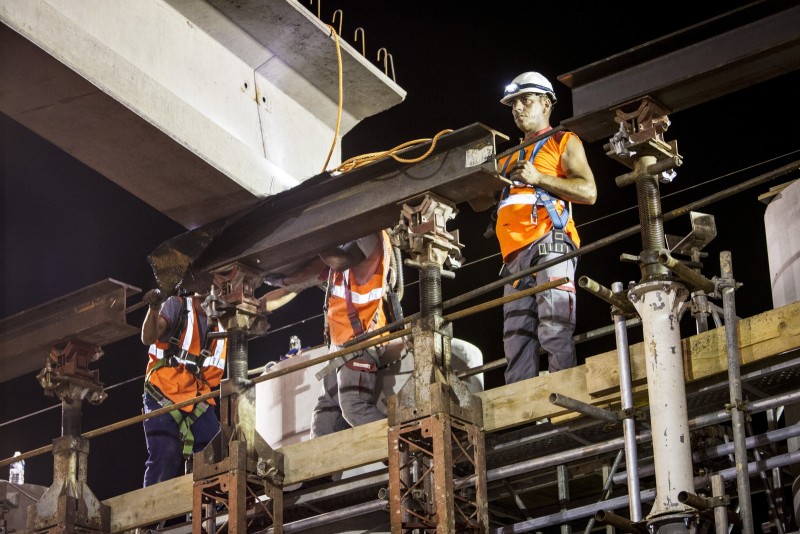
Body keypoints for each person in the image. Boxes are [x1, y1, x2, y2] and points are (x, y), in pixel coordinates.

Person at [494, 71, 597, 384]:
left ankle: (565, 408)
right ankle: (523, 424)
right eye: (513, 103)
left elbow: (589, 191)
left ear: (547, 104)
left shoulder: (563, 141)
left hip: (549, 244)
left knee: (554, 329)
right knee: (516, 343)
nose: (518, 108)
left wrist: (539, 179)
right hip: (513, 259)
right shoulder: (508, 157)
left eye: (526, 100)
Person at [139, 286, 295, 488]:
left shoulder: (226, 316)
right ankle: (150, 516)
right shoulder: (177, 305)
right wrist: (154, 308)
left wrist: (298, 283)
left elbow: (265, 303)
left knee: (219, 455)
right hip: (163, 393)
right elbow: (148, 337)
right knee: (166, 454)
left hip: (197, 400)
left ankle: (216, 510)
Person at [267, 230, 395, 438]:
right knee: (323, 418)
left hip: (361, 342)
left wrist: (315, 231)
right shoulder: (344, 247)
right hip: (340, 349)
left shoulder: (370, 233)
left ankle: (408, 452)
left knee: (353, 405)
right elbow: (306, 276)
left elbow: (339, 261)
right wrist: (279, 283)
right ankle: (320, 471)